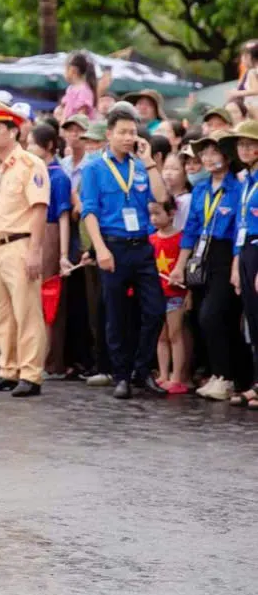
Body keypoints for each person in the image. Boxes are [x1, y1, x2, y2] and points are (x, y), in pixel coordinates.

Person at [80, 103, 170, 399]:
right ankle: (121, 375)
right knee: (115, 315)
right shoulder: (94, 167)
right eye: (122, 132)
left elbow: (160, 198)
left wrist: (150, 162)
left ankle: (141, 371)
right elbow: (89, 212)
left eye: (132, 132)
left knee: (155, 309)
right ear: (109, 134)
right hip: (113, 245)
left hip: (142, 247)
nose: (128, 137)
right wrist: (101, 250)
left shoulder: (140, 165)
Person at [0, 102, 50, 398]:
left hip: (20, 243)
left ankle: (31, 373)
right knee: (1, 312)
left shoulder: (31, 164)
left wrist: (35, 251)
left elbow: (39, 208)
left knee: (27, 310)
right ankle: (8, 368)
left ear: (13, 131)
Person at [169, 134, 242, 402]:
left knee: (214, 315)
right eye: (204, 153)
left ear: (227, 155)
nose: (209, 158)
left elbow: (240, 229)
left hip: (227, 255)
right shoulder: (200, 188)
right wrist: (180, 266)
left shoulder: (238, 187)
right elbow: (190, 230)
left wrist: (237, 263)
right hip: (202, 255)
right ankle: (217, 374)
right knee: (201, 316)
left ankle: (228, 377)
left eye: (215, 152)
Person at [28, 123, 72, 376]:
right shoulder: (36, 172)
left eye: (33, 143)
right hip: (33, 232)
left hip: (50, 235)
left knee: (48, 300)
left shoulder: (58, 176)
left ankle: (49, 359)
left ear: (49, 147)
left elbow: (63, 217)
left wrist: (63, 254)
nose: (28, 148)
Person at [225, 120, 258, 407]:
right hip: (246, 250)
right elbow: (242, 224)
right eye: (241, 144)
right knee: (253, 319)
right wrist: (236, 262)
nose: (245, 149)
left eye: (250, 143)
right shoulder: (245, 179)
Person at [149, 199, 190, 393]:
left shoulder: (182, 239)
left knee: (175, 334)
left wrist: (188, 292)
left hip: (175, 294)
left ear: (172, 213)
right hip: (157, 294)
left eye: (158, 214)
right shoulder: (151, 239)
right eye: (151, 214)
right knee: (161, 336)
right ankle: (163, 374)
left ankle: (177, 376)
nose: (154, 219)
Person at [56, 51, 98, 123]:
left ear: (72, 70)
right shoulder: (70, 89)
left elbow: (81, 118)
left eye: (65, 69)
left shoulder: (84, 91)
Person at [162, 152, 192, 230]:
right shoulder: (162, 196)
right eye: (165, 168)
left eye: (175, 169)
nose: (168, 173)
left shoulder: (187, 199)